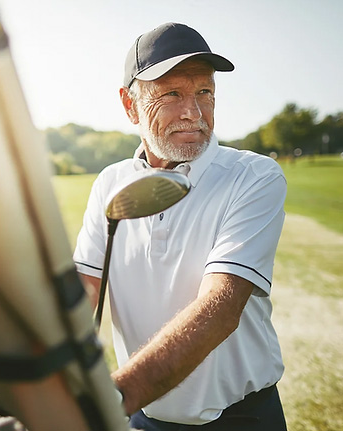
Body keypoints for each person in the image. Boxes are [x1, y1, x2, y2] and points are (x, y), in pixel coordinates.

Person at [73, 22, 288, 430]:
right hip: (141, 414)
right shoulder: (110, 183)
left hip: (240, 418)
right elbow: (85, 290)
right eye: (172, 94)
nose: (194, 112)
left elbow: (221, 308)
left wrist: (113, 397)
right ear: (130, 105)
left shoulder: (255, 175)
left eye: (204, 92)